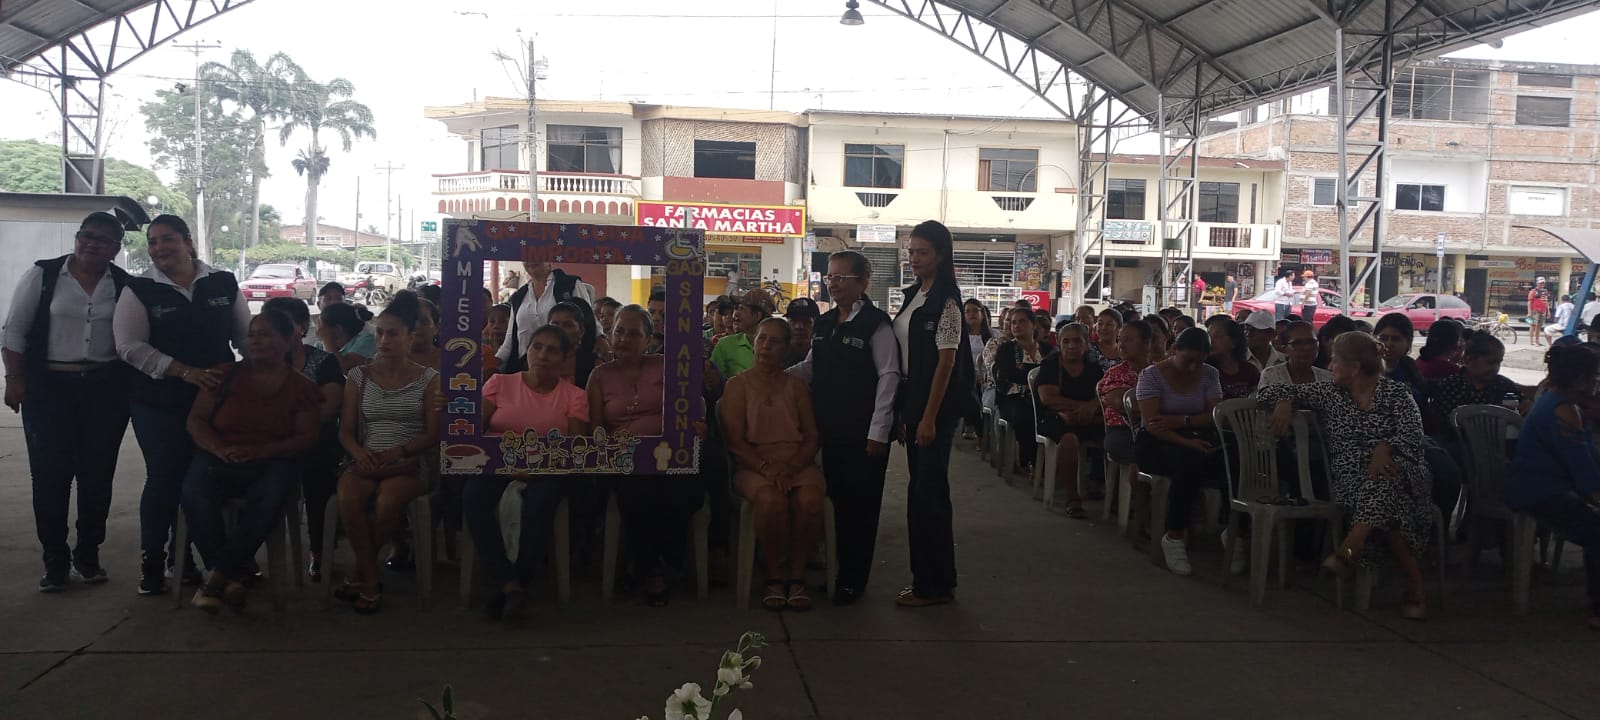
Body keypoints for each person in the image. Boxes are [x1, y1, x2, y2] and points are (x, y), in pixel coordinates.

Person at [114, 214, 251, 596]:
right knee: (164, 477)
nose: (159, 248)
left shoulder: (222, 283)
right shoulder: (139, 289)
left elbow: (244, 337)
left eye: (168, 239)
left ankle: (189, 557)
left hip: (215, 402)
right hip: (159, 403)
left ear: (188, 242)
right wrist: (183, 372)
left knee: (202, 479)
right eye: (153, 241)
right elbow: (128, 346)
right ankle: (153, 560)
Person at [1262, 332, 1436, 620]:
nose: (1330, 367)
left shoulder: (1396, 394)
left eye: (1335, 361)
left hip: (1401, 471)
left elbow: (1413, 435)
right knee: (1390, 505)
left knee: (1385, 483)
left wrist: (1385, 447)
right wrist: (1284, 400)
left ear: (1355, 367)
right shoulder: (1330, 393)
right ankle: (1412, 585)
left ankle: (1350, 549)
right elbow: (1267, 392)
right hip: (1351, 480)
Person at [3, 212, 134, 590]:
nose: (91, 243)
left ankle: (88, 555)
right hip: (49, 390)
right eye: (86, 235)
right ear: (77, 237)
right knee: (49, 476)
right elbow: (14, 331)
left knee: (97, 476)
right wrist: (15, 378)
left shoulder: (124, 285)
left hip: (104, 391)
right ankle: (55, 562)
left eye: (102, 239)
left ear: (116, 249)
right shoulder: (43, 276)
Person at [180, 310, 321, 612]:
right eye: (252, 335)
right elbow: (196, 420)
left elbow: (306, 437)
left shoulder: (302, 388)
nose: (255, 341)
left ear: (288, 339)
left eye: (265, 334)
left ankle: (217, 577)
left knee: (270, 495)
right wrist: (218, 448)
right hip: (221, 456)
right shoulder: (223, 375)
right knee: (194, 491)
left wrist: (261, 452)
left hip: (272, 460)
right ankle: (230, 576)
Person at [788, 253, 900, 605]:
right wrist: (772, 377)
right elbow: (811, 368)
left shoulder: (876, 325)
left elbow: (889, 376)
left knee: (859, 508)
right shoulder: (824, 323)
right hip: (828, 429)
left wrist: (878, 430)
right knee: (834, 503)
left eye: (841, 278)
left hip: (862, 434)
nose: (833, 284)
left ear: (863, 281)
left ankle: (853, 579)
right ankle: (836, 571)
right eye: (830, 277)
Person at [464, 324, 587, 621]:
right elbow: (473, 431)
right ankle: (509, 584)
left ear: (565, 358)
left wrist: (536, 467)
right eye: (537, 347)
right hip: (497, 465)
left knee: (540, 503)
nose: (542, 355)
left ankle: (513, 584)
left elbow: (575, 448)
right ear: (526, 350)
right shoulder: (499, 383)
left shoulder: (574, 396)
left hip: (547, 470)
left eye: (552, 350)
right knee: (474, 497)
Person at [334, 296, 441, 615]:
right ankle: (370, 577)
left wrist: (399, 451)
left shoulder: (429, 378)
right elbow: (345, 431)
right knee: (349, 499)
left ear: (409, 337)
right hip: (366, 458)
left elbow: (433, 434)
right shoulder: (358, 377)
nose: (384, 340)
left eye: (393, 334)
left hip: (410, 461)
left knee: (388, 502)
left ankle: (360, 575)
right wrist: (359, 453)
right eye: (380, 333)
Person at [892, 220, 974, 607]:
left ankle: (935, 584)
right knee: (919, 493)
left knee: (930, 496)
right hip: (912, 403)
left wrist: (928, 418)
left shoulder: (947, 302)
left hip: (934, 411)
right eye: (911, 251)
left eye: (922, 252)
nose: (914, 258)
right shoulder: (914, 295)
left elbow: (946, 363)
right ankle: (928, 580)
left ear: (941, 255)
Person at [589, 306, 691, 606]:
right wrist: (611, 443)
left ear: (648, 339)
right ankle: (652, 568)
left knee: (682, 488)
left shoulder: (665, 365)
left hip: (668, 455)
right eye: (619, 331)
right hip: (622, 460)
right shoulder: (599, 375)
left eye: (634, 334)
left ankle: (642, 560)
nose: (624, 339)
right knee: (636, 490)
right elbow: (596, 430)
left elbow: (685, 409)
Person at [722, 318, 826, 611]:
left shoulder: (797, 386)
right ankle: (773, 574)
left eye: (775, 341)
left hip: (795, 463)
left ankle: (797, 575)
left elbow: (812, 437)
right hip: (753, 465)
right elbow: (735, 441)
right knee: (770, 501)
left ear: (786, 348)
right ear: (754, 342)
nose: (766, 345)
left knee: (810, 500)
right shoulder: (737, 386)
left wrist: (792, 467)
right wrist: (766, 468)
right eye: (762, 339)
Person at [1505, 343, 1600, 631]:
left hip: (1537, 487)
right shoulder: (1565, 411)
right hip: (1540, 493)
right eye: (1595, 376)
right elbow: (1582, 470)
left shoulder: (1550, 396)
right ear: (1580, 380)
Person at [261, 298, 345, 582]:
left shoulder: (324, 362)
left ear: (303, 326)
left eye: (285, 325)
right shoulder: (256, 366)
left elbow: (328, 409)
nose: (277, 333)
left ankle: (320, 548)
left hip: (316, 441)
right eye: (270, 327)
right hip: (269, 443)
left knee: (317, 470)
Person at [1135, 327, 1225, 575]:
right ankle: (1174, 534)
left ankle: (1236, 530)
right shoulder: (1151, 376)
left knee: (1232, 459)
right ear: (1174, 350)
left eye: (1199, 362)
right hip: (1155, 443)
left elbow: (1215, 415)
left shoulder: (1210, 374)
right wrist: (1187, 439)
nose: (1193, 368)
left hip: (1196, 437)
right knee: (1189, 462)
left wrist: (1181, 421)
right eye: (1188, 360)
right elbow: (1153, 424)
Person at [1035, 323, 1104, 518]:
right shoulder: (1050, 365)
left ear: (1086, 343)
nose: (1071, 346)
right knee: (1069, 440)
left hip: (1086, 418)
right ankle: (1072, 497)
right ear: (1058, 343)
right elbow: (1048, 399)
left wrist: (1090, 408)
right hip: (1054, 418)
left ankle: (1101, 485)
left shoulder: (1093, 367)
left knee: (1112, 433)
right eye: (1066, 341)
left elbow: (1102, 396)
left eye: (1077, 341)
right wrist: (1083, 407)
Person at [498, 260, 594, 373]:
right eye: (526, 256)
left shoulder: (569, 285)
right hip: (526, 367)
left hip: (565, 366)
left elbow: (589, 321)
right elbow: (510, 340)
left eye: (537, 255)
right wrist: (493, 363)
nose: (531, 259)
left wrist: (600, 340)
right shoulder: (518, 296)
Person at [1427, 333, 1529, 432]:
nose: (1495, 367)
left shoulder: (1504, 385)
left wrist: (1526, 405)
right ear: (1468, 360)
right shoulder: (1451, 386)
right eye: (1490, 362)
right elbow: (1443, 423)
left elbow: (1523, 405)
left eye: (1499, 362)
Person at [993, 306, 1046, 474]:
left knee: (1048, 415)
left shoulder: (1047, 350)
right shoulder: (1006, 349)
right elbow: (1008, 375)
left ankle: (1046, 461)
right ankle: (1030, 461)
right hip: (1012, 398)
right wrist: (1031, 381)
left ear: (1033, 325)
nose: (1016, 326)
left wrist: (1031, 381)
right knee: (1025, 415)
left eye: (1022, 321)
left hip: (1042, 397)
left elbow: (1051, 375)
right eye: (1014, 322)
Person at [1098, 320, 1155, 467]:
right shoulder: (1116, 373)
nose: (1121, 345)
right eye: (1119, 339)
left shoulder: (1158, 372)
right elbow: (1124, 404)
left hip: (1154, 427)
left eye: (1128, 340)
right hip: (1122, 430)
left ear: (1146, 343)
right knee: (1145, 454)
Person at [711, 289, 774, 379]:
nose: (735, 314)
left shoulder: (776, 346)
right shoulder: (725, 344)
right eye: (736, 308)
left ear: (757, 316)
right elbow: (713, 380)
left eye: (741, 309)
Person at [1258, 321, 1332, 388]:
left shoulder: (1328, 379)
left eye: (1311, 342)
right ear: (1284, 349)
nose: (1306, 347)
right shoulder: (1271, 375)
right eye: (1297, 343)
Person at [547, 299, 602, 388]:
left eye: (568, 325)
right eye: (555, 324)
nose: (560, 330)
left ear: (581, 331)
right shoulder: (535, 359)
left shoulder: (595, 366)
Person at [961, 299, 994, 441]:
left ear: (982, 313)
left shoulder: (993, 336)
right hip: (967, 376)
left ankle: (979, 429)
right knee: (968, 390)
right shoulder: (961, 337)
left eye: (975, 310)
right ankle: (979, 431)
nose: (971, 314)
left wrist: (984, 376)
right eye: (967, 311)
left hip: (987, 377)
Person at [1206, 317, 1260, 399]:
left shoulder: (1250, 371)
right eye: (1208, 336)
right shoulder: (1205, 370)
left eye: (1217, 336)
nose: (1211, 341)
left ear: (1234, 342)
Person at [317, 302, 376, 373]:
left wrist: (327, 340)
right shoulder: (319, 346)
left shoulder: (367, 340)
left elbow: (345, 369)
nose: (318, 331)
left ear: (338, 329)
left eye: (321, 327)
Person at [783, 297, 820, 367]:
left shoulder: (823, 358)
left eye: (806, 321)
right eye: (793, 321)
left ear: (816, 325)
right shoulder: (777, 356)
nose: (799, 327)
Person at [483, 303, 512, 374]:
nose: (496, 326)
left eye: (503, 321)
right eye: (492, 322)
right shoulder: (481, 347)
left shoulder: (514, 352)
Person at [1527, 277, 1551, 347]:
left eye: (1543, 283)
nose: (1542, 284)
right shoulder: (1533, 291)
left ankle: (1537, 341)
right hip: (1535, 311)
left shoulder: (1545, 291)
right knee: (1533, 325)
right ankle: (1532, 341)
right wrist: (1529, 312)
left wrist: (1548, 311)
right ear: (1537, 283)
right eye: (1540, 283)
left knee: (1539, 327)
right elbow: (1529, 302)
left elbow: (1546, 301)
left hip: (1543, 311)